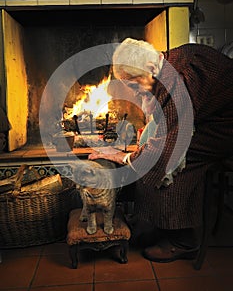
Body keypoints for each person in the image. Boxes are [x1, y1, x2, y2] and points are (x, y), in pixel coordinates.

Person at [88, 37, 233, 263]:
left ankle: (184, 241)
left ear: (150, 68)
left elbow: (169, 142)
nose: (134, 93)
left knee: (173, 161)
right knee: (149, 142)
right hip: (208, 116)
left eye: (134, 86)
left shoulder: (180, 82)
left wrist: (124, 157)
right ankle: (161, 226)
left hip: (224, 126)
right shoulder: (164, 63)